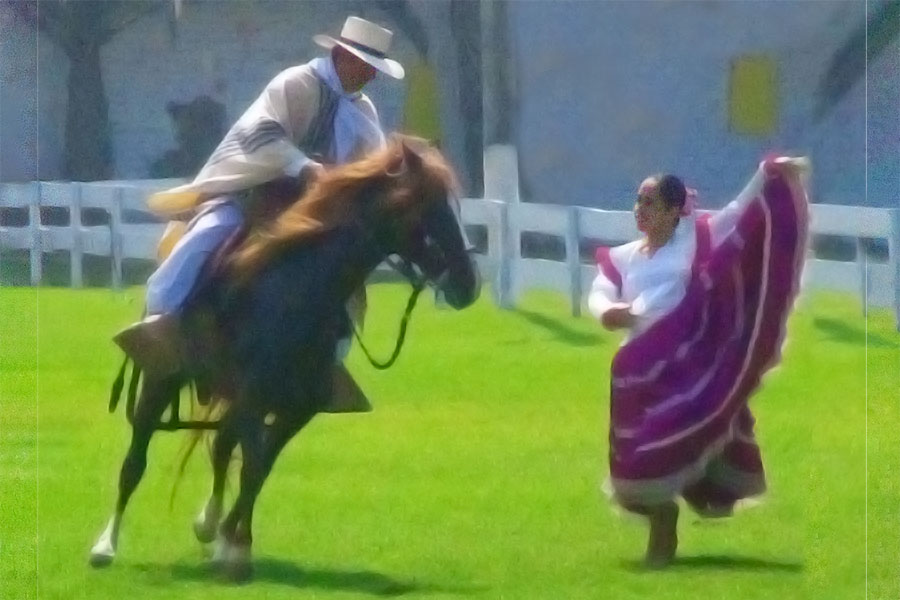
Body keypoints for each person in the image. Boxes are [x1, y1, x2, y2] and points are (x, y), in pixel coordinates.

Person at [115, 16, 406, 411]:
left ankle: (324, 359)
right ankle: (162, 322)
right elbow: (260, 133)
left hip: (310, 215)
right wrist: (304, 166)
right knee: (205, 240)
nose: (369, 75)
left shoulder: (363, 111)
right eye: (364, 65)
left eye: (374, 69)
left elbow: (369, 166)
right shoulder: (296, 84)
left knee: (342, 275)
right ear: (341, 55)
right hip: (252, 195)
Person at [588, 156, 810, 567]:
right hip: (636, 378)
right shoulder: (624, 257)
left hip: (686, 368)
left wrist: (765, 174)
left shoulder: (696, 240)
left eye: (650, 203)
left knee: (675, 437)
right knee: (629, 463)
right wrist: (608, 311)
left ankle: (663, 533)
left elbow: (738, 213)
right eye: (638, 202)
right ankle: (660, 509)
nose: (641, 210)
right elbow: (600, 289)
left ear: (675, 210)